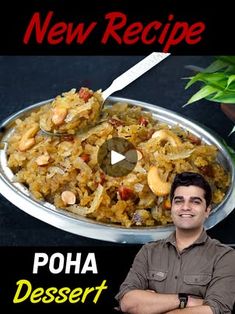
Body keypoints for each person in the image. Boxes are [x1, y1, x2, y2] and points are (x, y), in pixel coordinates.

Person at [115, 172, 235, 314]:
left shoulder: (224, 256)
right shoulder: (148, 251)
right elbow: (127, 302)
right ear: (171, 208)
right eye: (179, 201)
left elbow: (216, 309)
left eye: (195, 201)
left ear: (207, 210)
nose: (186, 207)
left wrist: (152, 304)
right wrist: (186, 300)